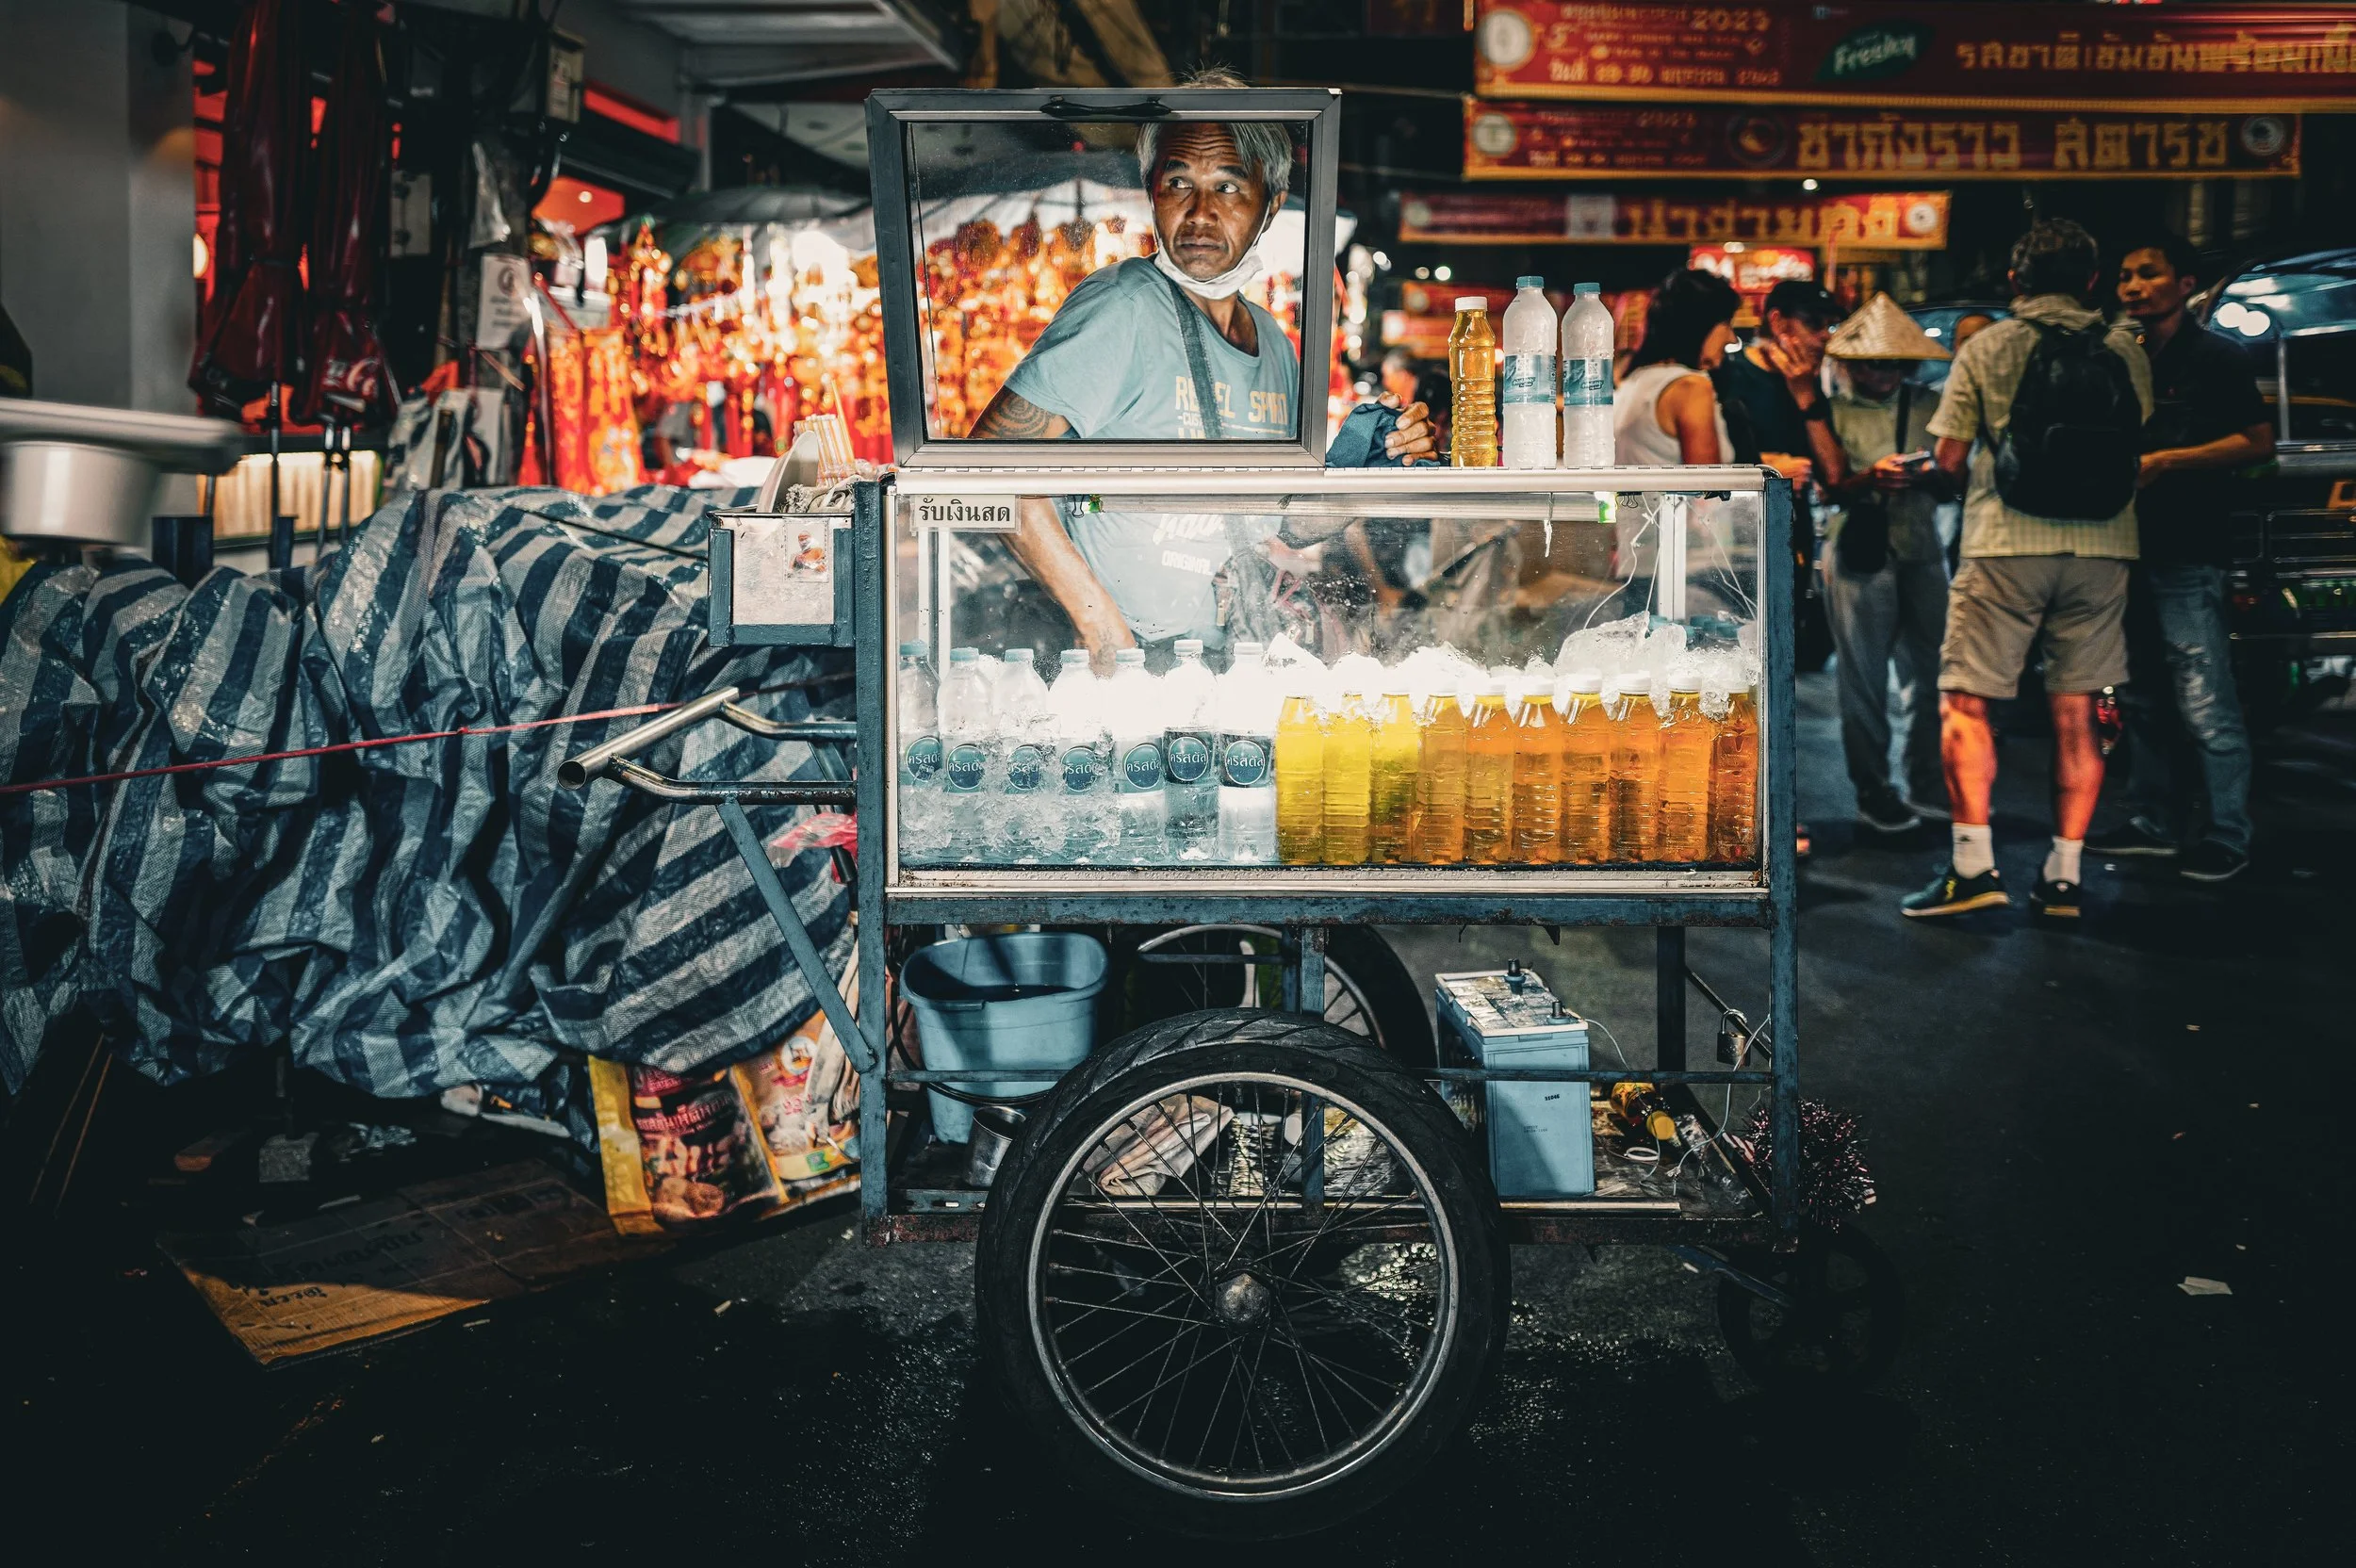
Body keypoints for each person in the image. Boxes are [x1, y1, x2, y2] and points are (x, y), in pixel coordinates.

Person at [969, 69, 1436, 661]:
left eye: (1229, 187)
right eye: (1178, 182)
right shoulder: (1125, 306)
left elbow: (1274, 526)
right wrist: (1102, 630)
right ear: (1151, 193)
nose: (1199, 213)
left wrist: (1366, 473)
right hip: (1122, 665)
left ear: (1270, 206)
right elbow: (990, 469)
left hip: (1215, 662)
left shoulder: (1271, 342)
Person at [1904, 219, 2153, 923]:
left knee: (1968, 700)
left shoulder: (1990, 346)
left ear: (2016, 282)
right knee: (2082, 712)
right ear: (2094, 282)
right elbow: (2136, 440)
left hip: (2004, 545)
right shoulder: (2125, 350)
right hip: (2105, 549)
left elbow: (1949, 461)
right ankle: (2065, 875)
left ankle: (1973, 866)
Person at [2086, 235, 2273, 883]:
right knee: (2138, 697)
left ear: (2184, 283)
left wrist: (2168, 462)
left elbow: (2256, 442)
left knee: (2205, 700)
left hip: (2190, 551)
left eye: (2148, 274)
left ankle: (2227, 832)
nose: (2133, 286)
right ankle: (2153, 821)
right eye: (2126, 275)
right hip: (2125, 551)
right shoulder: (2118, 355)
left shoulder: (2218, 356)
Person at [1819, 294, 1955, 834]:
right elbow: (1830, 488)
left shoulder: (1932, 405)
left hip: (1922, 545)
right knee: (1863, 679)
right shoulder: (1829, 410)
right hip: (1859, 550)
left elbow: (1955, 481)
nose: (1883, 372)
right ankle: (1873, 788)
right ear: (1851, 364)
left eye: (1894, 362)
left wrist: (1924, 476)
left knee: (1933, 673)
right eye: (1873, 362)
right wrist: (1870, 479)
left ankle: (1928, 781)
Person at [1713, 279, 1851, 494]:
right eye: (1814, 324)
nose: (1826, 336)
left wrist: (1806, 398)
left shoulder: (1808, 384)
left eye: (1830, 326)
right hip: (1742, 520)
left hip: (1795, 522)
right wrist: (1763, 473)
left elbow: (1834, 474)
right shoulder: (1728, 374)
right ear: (1778, 323)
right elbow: (1703, 467)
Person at [1614, 268, 1741, 466]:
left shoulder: (1634, 381)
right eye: (1727, 323)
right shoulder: (1690, 387)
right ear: (1701, 324)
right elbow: (1706, 489)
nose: (1731, 338)